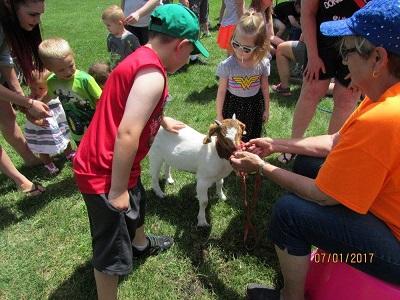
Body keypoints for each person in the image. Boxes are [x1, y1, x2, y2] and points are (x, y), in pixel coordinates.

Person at [230, 1, 400, 298]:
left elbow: (323, 196)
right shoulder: (384, 95)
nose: (343, 61)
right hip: (387, 209)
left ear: (378, 58)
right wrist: (277, 144)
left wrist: (262, 168)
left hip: (394, 249)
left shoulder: (383, 118)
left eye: (347, 50)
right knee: (307, 165)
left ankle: (290, 297)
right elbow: (336, 142)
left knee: (288, 213)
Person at [73, 4, 208, 299]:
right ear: (180, 45)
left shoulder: (140, 57)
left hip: (122, 165)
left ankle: (140, 244)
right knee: (110, 246)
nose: (189, 58)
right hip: (105, 172)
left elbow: (130, 108)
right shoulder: (153, 75)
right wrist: (118, 188)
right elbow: (128, 133)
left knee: (137, 202)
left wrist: (161, 118)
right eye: (190, 51)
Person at [279, 0, 367, 163]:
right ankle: (293, 146)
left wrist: (363, 69)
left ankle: (328, 153)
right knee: (311, 91)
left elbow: (379, 18)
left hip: (359, 44)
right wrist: (312, 56)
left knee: (347, 99)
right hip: (322, 40)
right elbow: (308, 13)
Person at [0, 0, 51, 196]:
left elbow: (3, 59)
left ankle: (29, 159)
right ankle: (19, 180)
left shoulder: (5, 24)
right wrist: (28, 102)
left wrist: (20, 100)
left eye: (40, 15)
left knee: (8, 117)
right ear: (10, 5)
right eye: (32, 15)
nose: (37, 21)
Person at [216, 11, 270, 142]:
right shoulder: (227, 66)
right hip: (233, 104)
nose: (239, 51)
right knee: (232, 136)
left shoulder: (262, 64)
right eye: (236, 44)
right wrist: (219, 114)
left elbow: (264, 88)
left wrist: (267, 109)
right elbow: (221, 91)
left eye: (246, 49)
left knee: (252, 134)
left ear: (259, 47)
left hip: (254, 104)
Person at [38, 38, 102, 145]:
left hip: (94, 118)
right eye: (61, 70)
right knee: (80, 142)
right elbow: (49, 95)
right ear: (49, 68)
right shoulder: (52, 82)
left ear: (73, 57)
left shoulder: (85, 80)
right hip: (73, 118)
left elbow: (101, 98)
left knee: (98, 142)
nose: (68, 71)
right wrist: (38, 104)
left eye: (71, 65)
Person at [24, 70, 74, 174]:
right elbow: (28, 114)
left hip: (58, 123)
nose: (36, 91)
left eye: (40, 88)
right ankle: (48, 164)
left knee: (65, 137)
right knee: (43, 148)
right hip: (42, 129)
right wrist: (36, 121)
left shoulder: (54, 94)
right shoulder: (32, 100)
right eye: (32, 88)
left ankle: (69, 153)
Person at [102, 5, 140, 69]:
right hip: (114, 68)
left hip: (128, 69)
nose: (107, 28)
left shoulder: (130, 38)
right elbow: (111, 52)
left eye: (109, 25)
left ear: (119, 23)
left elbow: (139, 53)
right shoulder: (110, 37)